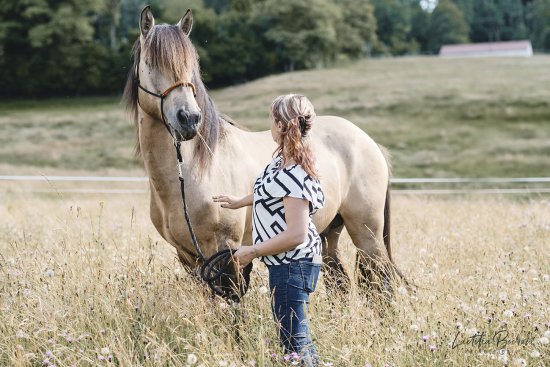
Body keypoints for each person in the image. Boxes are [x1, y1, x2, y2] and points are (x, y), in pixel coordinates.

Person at [212, 94, 325, 366]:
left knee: (294, 341)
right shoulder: (282, 163)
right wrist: (241, 201)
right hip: (286, 264)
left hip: (293, 264)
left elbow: (296, 234)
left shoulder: (295, 172)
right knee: (295, 337)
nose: (270, 126)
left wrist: (253, 250)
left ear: (282, 125)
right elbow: (272, 190)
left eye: (273, 120)